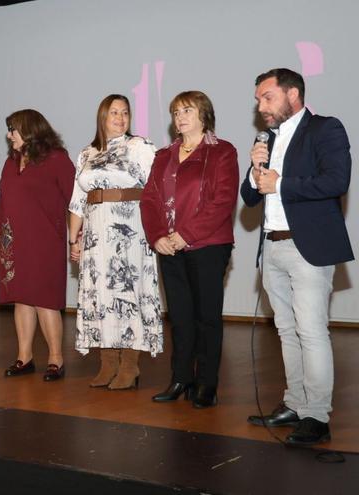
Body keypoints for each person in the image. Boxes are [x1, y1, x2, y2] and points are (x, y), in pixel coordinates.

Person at [241, 68, 353, 446]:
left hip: (308, 248)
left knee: (311, 331)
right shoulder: (267, 138)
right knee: (286, 331)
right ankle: (295, 403)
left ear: (292, 94)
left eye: (267, 97)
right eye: (258, 99)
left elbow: (337, 181)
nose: (261, 106)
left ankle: (317, 416)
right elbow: (250, 196)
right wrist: (255, 169)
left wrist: (281, 183)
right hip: (272, 246)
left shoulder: (325, 129)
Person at [140, 91, 238, 408]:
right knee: (180, 317)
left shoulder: (222, 152)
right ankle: (181, 378)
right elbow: (150, 200)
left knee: (207, 317)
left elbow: (222, 201)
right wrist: (157, 236)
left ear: (203, 115)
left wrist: (186, 235)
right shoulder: (164, 155)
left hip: (208, 245)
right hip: (169, 247)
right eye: (175, 112)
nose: (179, 117)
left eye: (187, 110)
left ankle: (207, 383)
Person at [68, 95, 162, 390]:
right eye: (114, 113)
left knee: (127, 292)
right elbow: (77, 200)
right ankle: (108, 363)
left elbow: (157, 189)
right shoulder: (87, 153)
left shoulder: (140, 147)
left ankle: (130, 365)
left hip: (129, 232)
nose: (120, 118)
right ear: (102, 117)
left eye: (125, 113)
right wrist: (73, 239)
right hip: (95, 235)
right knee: (100, 294)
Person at [0, 109, 75, 381]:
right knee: (22, 298)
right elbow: (3, 202)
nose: (9, 135)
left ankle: (56, 359)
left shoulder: (57, 159)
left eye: (12, 130)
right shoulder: (11, 162)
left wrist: (78, 236)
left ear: (29, 130)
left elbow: (76, 201)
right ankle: (24, 357)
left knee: (45, 301)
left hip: (46, 242)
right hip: (14, 241)